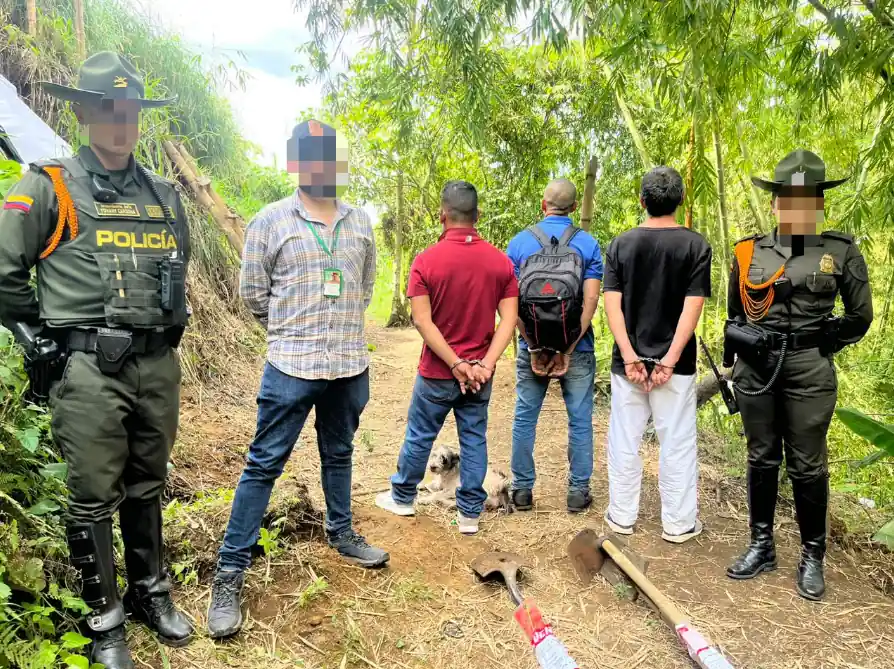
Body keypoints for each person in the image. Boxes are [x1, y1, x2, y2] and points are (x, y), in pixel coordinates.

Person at [0, 52, 194, 668]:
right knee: (91, 496)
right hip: (87, 368)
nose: (120, 121)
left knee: (148, 483)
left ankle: (150, 592)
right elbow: (4, 271)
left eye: (130, 110)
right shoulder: (49, 183)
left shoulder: (163, 194)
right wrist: (38, 335)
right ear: (85, 112)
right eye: (108, 109)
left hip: (157, 364)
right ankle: (105, 619)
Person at [207, 119, 387, 640]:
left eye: (327, 155)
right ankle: (229, 574)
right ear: (296, 163)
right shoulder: (270, 221)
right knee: (262, 466)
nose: (320, 165)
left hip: (349, 364)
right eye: (309, 156)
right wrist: (290, 332)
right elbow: (252, 294)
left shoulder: (360, 222)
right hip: (291, 365)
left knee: (340, 453)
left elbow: (365, 283)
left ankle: (342, 532)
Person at [725, 149, 873, 601]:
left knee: (808, 464)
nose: (797, 208)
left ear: (818, 205)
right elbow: (735, 315)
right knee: (761, 456)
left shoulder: (839, 251)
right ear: (775, 204)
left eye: (807, 200)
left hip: (810, 368)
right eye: (789, 199)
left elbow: (861, 315)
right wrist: (748, 347)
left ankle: (812, 555)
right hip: (758, 368)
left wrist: (830, 338)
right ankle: (762, 544)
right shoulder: (749, 251)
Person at [375, 180, 519, 535]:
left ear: (442, 216)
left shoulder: (426, 261)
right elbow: (510, 319)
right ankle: (469, 515)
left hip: (437, 373)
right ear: (478, 216)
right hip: (479, 378)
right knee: (474, 439)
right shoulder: (500, 263)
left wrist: (454, 363)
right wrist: (483, 364)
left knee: (420, 435)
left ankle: (403, 499)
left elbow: (422, 320)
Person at [602, 166, 711, 544]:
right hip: (675, 367)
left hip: (627, 364)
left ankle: (621, 517)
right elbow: (691, 307)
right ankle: (678, 524)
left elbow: (611, 305)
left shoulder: (621, 245)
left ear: (642, 200)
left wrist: (631, 356)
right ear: (681, 199)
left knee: (624, 438)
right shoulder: (695, 246)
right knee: (677, 441)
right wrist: (668, 359)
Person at [506, 179, 603, 513]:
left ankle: (521, 491)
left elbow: (509, 304)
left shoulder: (519, 244)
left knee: (525, 416)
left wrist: (533, 345)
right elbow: (590, 303)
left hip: (531, 345)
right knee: (579, 419)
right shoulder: (588, 244)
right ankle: (577, 493)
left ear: (542, 205)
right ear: (574, 209)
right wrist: (567, 348)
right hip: (577, 348)